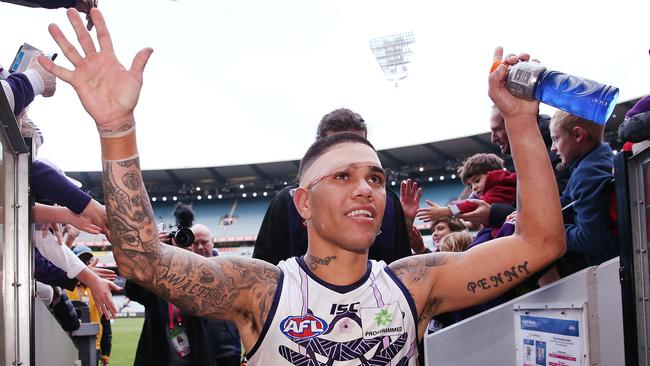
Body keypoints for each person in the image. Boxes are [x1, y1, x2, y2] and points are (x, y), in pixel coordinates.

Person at [41, 11, 565, 363]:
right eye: (342, 176)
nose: (366, 188)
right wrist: (116, 129)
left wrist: (520, 121)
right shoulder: (262, 290)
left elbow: (541, 243)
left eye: (375, 178)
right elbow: (141, 261)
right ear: (303, 203)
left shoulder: (413, 285)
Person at [253, 108, 416, 265]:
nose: (351, 151)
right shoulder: (287, 202)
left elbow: (402, 268)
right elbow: (264, 270)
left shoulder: (389, 201)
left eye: (360, 142)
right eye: (339, 144)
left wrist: (406, 223)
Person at [550, 110, 619, 266]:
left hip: (610, 267)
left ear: (578, 135)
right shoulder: (596, 159)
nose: (553, 148)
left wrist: (550, 231)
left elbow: (589, 240)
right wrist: (536, 214)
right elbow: (567, 200)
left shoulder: (587, 174)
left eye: (556, 139)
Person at [192, 224, 242, 366]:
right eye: (196, 243)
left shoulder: (230, 271)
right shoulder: (183, 272)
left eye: (204, 242)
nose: (201, 247)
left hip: (227, 350)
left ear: (212, 242)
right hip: (196, 352)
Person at [65, 245, 112, 365]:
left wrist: (106, 352)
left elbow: (105, 322)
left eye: (88, 260)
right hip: (69, 345)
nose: (86, 264)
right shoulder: (65, 286)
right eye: (81, 260)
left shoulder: (97, 290)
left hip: (93, 347)